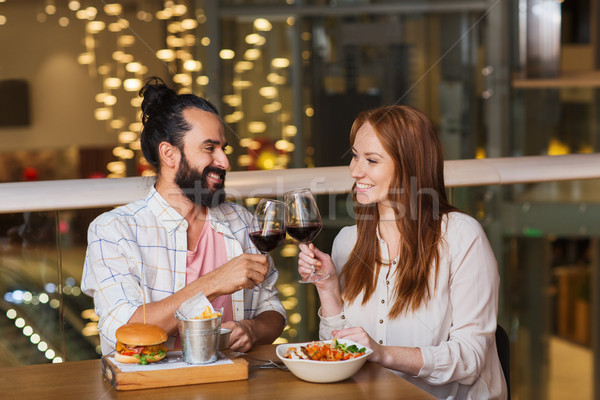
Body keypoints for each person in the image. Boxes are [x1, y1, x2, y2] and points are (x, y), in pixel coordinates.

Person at [298, 105, 507, 399]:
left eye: (372, 160)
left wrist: (383, 353)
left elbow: (470, 361)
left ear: (410, 166)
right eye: (355, 155)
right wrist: (328, 289)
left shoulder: (462, 236)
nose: (355, 170)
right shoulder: (349, 241)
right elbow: (339, 353)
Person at [82, 77, 286, 355]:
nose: (224, 161)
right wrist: (214, 283)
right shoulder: (113, 230)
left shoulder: (242, 223)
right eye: (209, 148)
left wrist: (253, 329)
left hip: (234, 382)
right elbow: (125, 331)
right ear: (169, 154)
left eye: (223, 149)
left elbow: (273, 310)